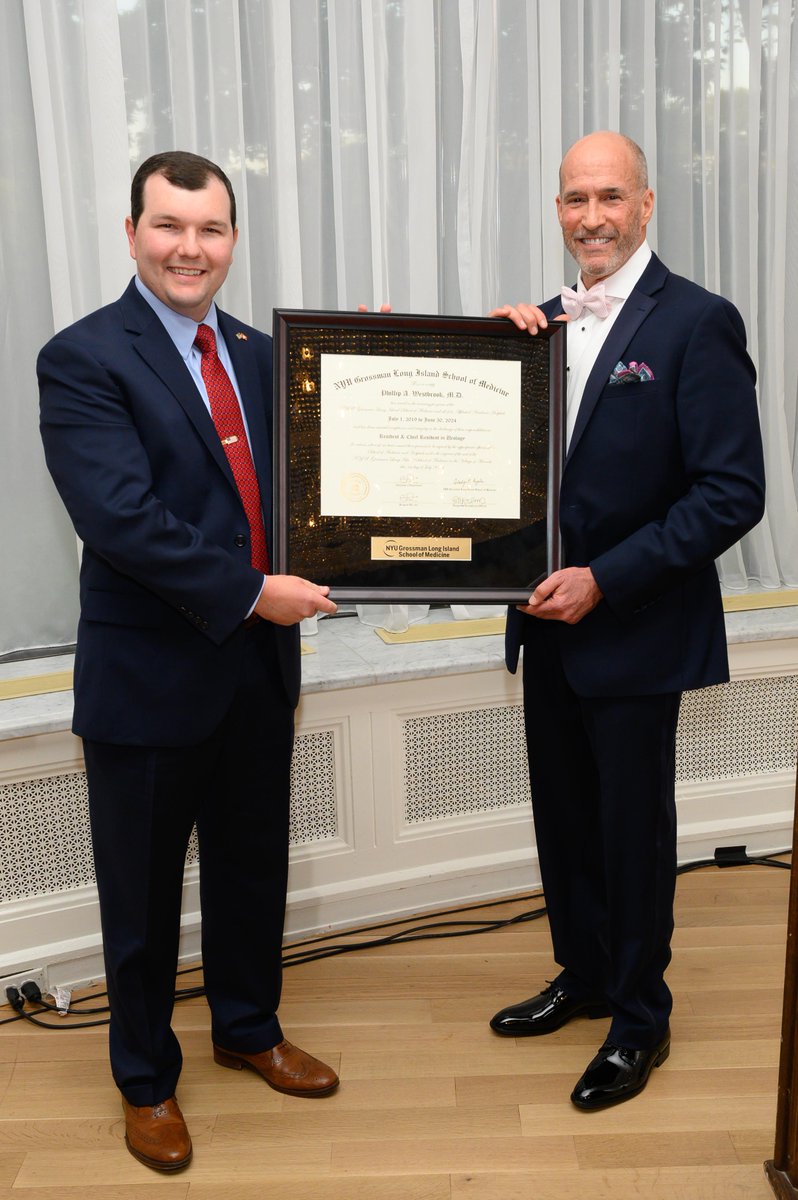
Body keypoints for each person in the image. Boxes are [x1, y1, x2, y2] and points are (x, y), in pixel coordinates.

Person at [38, 151, 340, 1172]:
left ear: (231, 240)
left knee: (254, 868)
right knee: (142, 893)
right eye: (169, 226)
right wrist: (257, 592)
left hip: (258, 673)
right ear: (132, 234)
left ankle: (249, 1027)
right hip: (149, 679)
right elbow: (122, 520)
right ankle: (145, 1080)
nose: (189, 248)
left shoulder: (264, 352)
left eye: (209, 229)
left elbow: (322, 471)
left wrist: (378, 360)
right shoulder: (82, 358)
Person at [488, 131, 765, 1109]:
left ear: (646, 206)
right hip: (545, 626)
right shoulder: (541, 322)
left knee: (631, 832)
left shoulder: (699, 323)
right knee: (564, 823)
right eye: (574, 199)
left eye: (610, 196)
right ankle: (589, 975)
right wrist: (483, 369)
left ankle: (641, 1018)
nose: (592, 216)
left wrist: (605, 578)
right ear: (558, 210)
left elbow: (733, 493)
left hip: (636, 627)